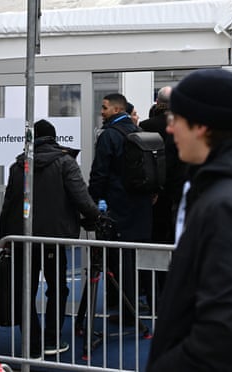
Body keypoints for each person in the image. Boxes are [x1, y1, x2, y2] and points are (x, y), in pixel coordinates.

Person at [146, 68, 232, 372]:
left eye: (176, 120)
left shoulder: (228, 203)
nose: (170, 129)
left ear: (201, 126)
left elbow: (226, 330)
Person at [0, 119, 100, 357]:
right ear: (54, 138)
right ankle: (52, 339)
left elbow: (8, 204)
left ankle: (31, 344)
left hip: (23, 238)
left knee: (26, 289)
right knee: (57, 288)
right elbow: (81, 198)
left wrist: (5, 237)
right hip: (54, 238)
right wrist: (96, 217)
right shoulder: (65, 163)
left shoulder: (18, 166)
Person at [89, 93, 153, 323]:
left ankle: (127, 311)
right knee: (137, 257)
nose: (101, 111)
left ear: (116, 110)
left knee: (121, 259)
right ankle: (136, 306)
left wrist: (92, 201)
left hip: (118, 205)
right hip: (142, 205)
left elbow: (100, 173)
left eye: (105, 107)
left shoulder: (109, 137)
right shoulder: (140, 134)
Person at [140, 86, 186, 243]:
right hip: (177, 187)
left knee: (157, 232)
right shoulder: (183, 126)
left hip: (154, 188)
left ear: (157, 102)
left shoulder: (146, 126)